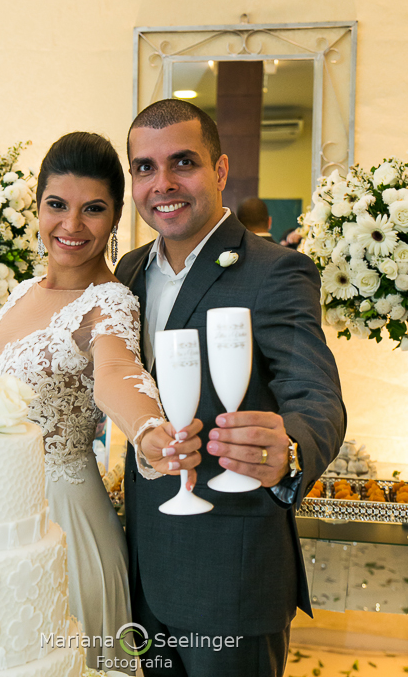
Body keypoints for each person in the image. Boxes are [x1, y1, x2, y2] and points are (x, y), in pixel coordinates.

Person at [115, 99, 346, 677]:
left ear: (219, 171)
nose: (162, 183)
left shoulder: (274, 270)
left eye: (182, 163)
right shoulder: (127, 271)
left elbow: (315, 396)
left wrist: (291, 449)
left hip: (233, 578)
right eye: (144, 167)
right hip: (144, 571)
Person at [0, 131, 201, 671]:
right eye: (58, 205)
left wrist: (149, 430)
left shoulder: (109, 302)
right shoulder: (21, 292)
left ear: (117, 215)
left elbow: (117, 375)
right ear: (38, 204)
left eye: (93, 209)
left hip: (63, 527)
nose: (72, 226)